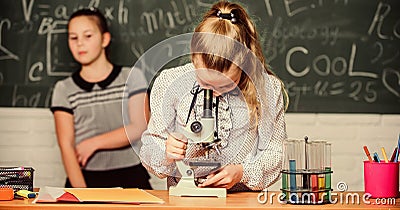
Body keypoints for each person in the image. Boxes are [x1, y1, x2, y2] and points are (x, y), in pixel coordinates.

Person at [140, 1, 288, 191]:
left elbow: (276, 153)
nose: (215, 92)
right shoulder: (169, 82)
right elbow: (149, 151)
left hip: (242, 201)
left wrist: (242, 172)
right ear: (194, 57)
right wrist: (167, 152)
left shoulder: (267, 88)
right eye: (206, 83)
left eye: (226, 85)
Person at [50, 8, 152, 189]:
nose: (80, 43)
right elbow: (66, 146)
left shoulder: (132, 77)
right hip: (85, 180)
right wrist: (82, 195)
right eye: (73, 38)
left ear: (104, 39)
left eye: (87, 36)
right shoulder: (64, 89)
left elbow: (139, 126)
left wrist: (93, 143)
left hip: (131, 178)